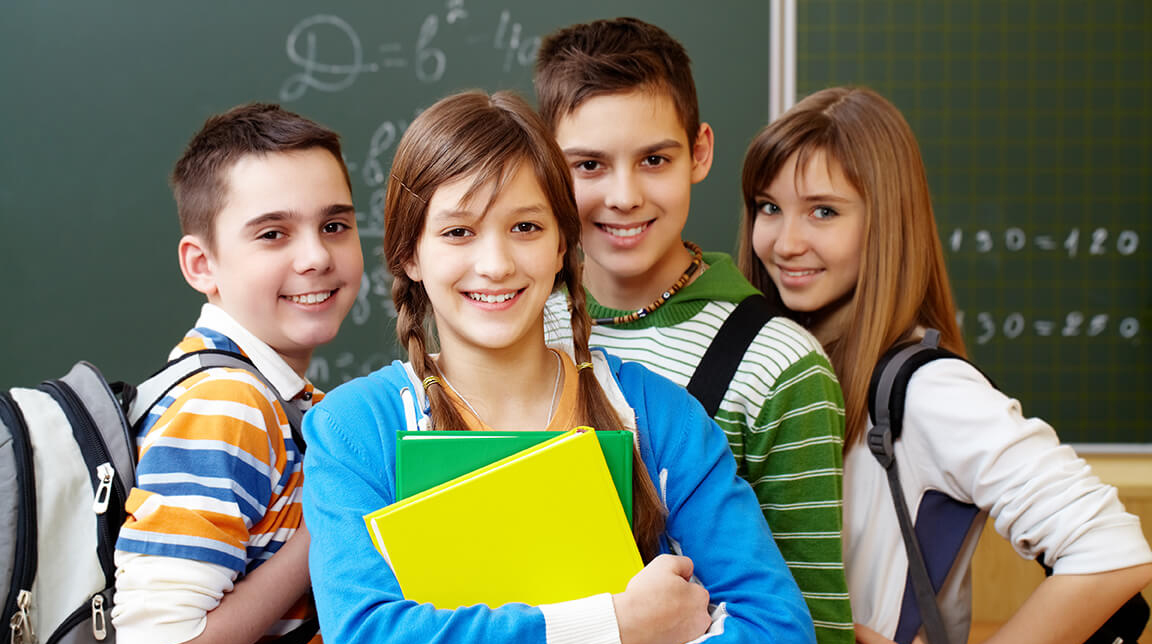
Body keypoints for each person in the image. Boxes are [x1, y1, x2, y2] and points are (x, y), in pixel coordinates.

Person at [301, 89, 815, 644]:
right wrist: (617, 625)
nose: (495, 264)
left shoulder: (661, 417)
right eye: (458, 232)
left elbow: (775, 625)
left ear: (562, 246)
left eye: (526, 228)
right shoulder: (354, 430)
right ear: (410, 254)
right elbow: (367, 633)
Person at [738, 85, 1152, 644]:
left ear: (886, 222)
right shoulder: (776, 366)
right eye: (769, 207)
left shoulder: (927, 389)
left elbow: (1109, 548)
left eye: (824, 211)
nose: (785, 242)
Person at [532, 17, 853, 643]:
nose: (623, 196)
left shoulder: (779, 363)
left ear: (700, 151)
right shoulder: (506, 323)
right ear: (546, 164)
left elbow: (810, 621)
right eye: (589, 164)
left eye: (654, 159)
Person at [113, 103, 364, 643]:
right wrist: (334, 523)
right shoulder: (227, 404)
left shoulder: (281, 399)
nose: (317, 256)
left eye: (335, 225)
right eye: (273, 234)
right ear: (201, 264)